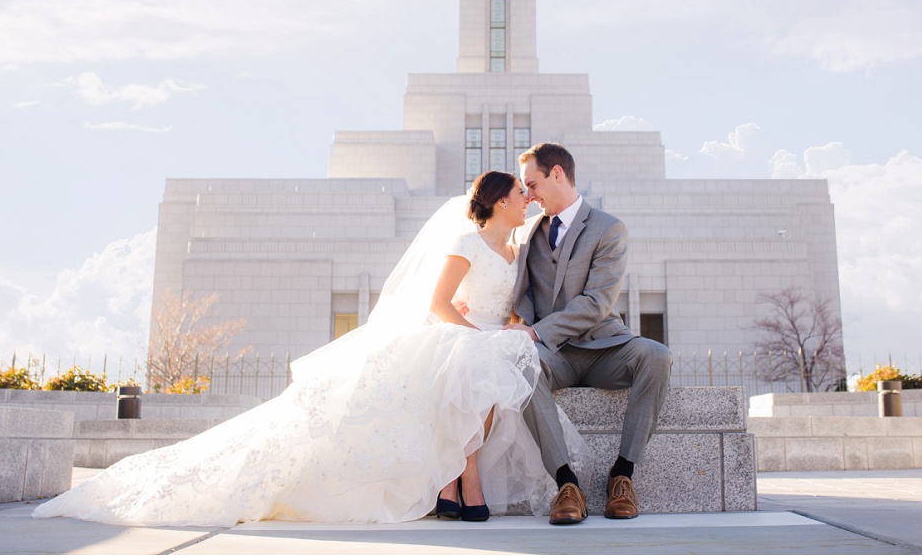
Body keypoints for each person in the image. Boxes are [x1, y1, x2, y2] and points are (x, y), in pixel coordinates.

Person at [33, 172, 563, 527]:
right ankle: (463, 480)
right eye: (521, 192)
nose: (527, 199)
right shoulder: (467, 242)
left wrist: (507, 325)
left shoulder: (515, 245)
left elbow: (511, 294)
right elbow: (441, 302)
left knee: (491, 367)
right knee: (476, 365)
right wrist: (480, 334)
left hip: (489, 337)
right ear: (497, 201)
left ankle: (453, 482)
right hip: (457, 333)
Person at [504, 142, 673, 524]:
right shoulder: (527, 233)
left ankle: (623, 475)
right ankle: (567, 484)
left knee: (657, 356)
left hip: (604, 348)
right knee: (522, 367)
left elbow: (597, 301)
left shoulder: (608, 228)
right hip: (555, 356)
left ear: (558, 174)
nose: (528, 195)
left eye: (532, 184)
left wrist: (537, 332)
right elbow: (521, 292)